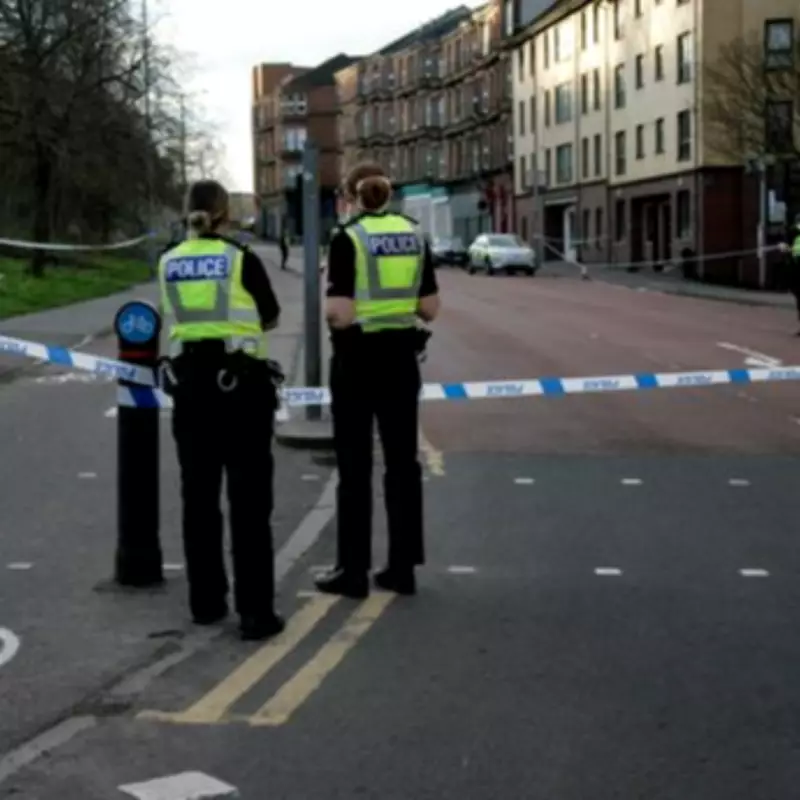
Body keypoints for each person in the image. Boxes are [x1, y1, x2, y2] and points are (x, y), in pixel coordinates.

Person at [158, 179, 285, 641]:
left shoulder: (168, 260)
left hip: (190, 387)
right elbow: (269, 316)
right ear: (224, 215)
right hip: (240, 387)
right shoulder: (240, 259)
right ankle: (255, 613)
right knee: (249, 504)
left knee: (199, 500)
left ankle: (206, 602)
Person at [314, 162, 440, 599]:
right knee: (402, 464)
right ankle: (402, 568)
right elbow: (430, 307)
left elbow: (340, 312)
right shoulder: (415, 234)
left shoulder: (348, 237)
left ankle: (352, 571)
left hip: (357, 360)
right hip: (402, 359)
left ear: (350, 196)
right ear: (389, 193)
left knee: (355, 467)